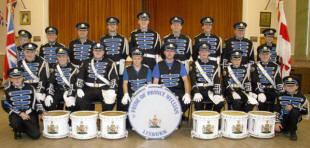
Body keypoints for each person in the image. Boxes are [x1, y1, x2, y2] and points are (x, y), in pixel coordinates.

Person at [2, 68, 46, 139]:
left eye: (19, 78)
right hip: (16, 114)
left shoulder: (30, 87)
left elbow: (36, 101)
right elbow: (5, 104)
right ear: (11, 79)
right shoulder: (7, 90)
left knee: (36, 135)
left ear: (22, 77)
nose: (17, 80)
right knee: (15, 123)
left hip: (29, 113)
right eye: (14, 78)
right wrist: (20, 113)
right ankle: (17, 129)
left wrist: (42, 111)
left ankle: (25, 127)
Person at [76, 42, 118, 111]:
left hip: (104, 89)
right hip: (88, 89)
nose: (98, 52)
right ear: (92, 51)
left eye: (100, 50)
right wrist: (79, 88)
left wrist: (112, 89)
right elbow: (80, 76)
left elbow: (114, 78)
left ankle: (105, 120)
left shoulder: (110, 63)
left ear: (103, 52)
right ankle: (88, 119)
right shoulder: (86, 62)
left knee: (109, 103)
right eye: (96, 50)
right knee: (80, 100)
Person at [153, 43, 191, 115]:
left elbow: (186, 80)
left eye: (172, 51)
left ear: (174, 52)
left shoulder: (180, 65)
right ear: (164, 52)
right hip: (164, 92)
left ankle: (177, 116)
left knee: (186, 102)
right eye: (167, 51)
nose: (169, 53)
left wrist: (187, 93)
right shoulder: (158, 65)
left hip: (178, 92)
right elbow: (155, 82)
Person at [100, 16, 129, 111]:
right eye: (110, 24)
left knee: (120, 90)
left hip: (119, 67)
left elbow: (125, 54)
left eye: (114, 24)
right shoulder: (103, 39)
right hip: (107, 69)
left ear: (117, 26)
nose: (112, 26)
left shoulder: (122, 39)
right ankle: (107, 112)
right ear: (107, 26)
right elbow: (101, 54)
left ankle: (121, 113)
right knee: (108, 91)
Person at [190, 43, 224, 113]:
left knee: (220, 103)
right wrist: (196, 92)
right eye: (202, 51)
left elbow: (216, 79)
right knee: (198, 103)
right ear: (199, 52)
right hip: (199, 90)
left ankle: (212, 116)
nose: (204, 53)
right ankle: (201, 120)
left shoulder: (214, 64)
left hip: (210, 89)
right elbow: (193, 79)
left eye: (206, 51)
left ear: (209, 52)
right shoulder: (194, 64)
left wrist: (217, 93)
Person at [274, 75, 309, 141]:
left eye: (292, 85)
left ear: (297, 86)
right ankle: (283, 128)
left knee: (294, 111)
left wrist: (294, 107)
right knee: (278, 130)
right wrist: (277, 122)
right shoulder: (279, 96)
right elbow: (276, 109)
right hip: (282, 118)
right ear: (284, 86)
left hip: (294, 119)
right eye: (288, 85)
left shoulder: (302, 97)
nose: (290, 87)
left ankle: (293, 132)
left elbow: (305, 111)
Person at [251, 45, 283, 112]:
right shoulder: (254, 66)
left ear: (270, 55)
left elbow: (278, 81)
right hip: (260, 90)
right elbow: (255, 80)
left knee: (275, 108)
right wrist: (260, 92)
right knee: (262, 107)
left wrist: (281, 92)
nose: (265, 56)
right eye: (263, 54)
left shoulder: (276, 66)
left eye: (267, 54)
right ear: (259, 55)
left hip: (272, 90)